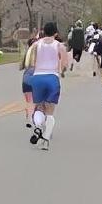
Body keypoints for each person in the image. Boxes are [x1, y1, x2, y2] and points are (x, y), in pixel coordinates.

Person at [26, 21, 67, 150]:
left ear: (44, 32)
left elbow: (29, 61)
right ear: (55, 33)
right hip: (52, 78)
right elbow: (64, 64)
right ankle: (46, 139)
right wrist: (62, 71)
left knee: (39, 106)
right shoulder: (59, 46)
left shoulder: (36, 45)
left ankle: (38, 126)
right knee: (50, 110)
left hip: (38, 77)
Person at [20, 32, 38, 127]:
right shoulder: (39, 52)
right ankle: (34, 116)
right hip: (36, 74)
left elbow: (21, 66)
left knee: (28, 99)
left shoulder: (27, 53)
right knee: (36, 99)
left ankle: (28, 116)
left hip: (26, 76)